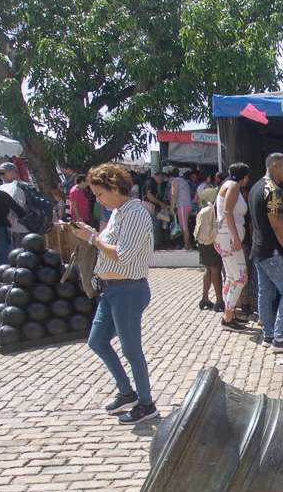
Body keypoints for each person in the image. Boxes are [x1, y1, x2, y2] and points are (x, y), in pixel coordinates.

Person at [69, 163, 158, 425]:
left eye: (99, 194)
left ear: (115, 187)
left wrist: (92, 238)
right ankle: (127, 391)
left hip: (128, 290)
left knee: (132, 350)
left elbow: (122, 254)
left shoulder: (135, 213)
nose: (98, 200)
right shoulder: (119, 212)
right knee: (97, 341)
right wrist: (92, 235)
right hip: (111, 291)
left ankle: (146, 403)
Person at [250, 153, 283, 352]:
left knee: (266, 292)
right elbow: (277, 226)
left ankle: (269, 335)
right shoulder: (273, 191)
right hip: (272, 252)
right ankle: (280, 339)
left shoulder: (257, 187)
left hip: (259, 249)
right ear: (274, 166)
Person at [215, 163, 251, 330]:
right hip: (229, 237)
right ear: (244, 176)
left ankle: (230, 315)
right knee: (240, 278)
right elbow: (228, 212)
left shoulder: (226, 185)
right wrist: (236, 238)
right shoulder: (234, 186)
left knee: (231, 277)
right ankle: (228, 317)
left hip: (224, 236)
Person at [194, 181, 223, 313]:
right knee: (215, 269)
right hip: (211, 240)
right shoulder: (216, 200)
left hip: (202, 240)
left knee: (209, 269)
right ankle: (219, 300)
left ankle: (205, 298)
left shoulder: (203, 204)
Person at [0, 162, 30, 248]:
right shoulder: (4, 187)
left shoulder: (20, 187)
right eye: (0, 174)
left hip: (22, 229)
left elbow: (17, 208)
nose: (1, 176)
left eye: (3, 173)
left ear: (13, 172)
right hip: (12, 229)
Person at [170, 169, 194, 249]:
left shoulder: (174, 181)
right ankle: (188, 244)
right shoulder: (184, 181)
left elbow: (174, 194)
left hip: (182, 205)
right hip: (188, 205)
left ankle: (186, 246)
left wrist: (172, 207)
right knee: (185, 225)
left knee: (184, 227)